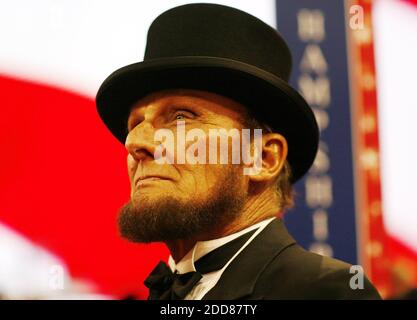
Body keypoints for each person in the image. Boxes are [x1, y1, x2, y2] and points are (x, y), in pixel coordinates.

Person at [95, 3, 381, 300]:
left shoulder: (324, 292)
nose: (135, 142)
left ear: (262, 158)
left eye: (181, 117)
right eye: (135, 123)